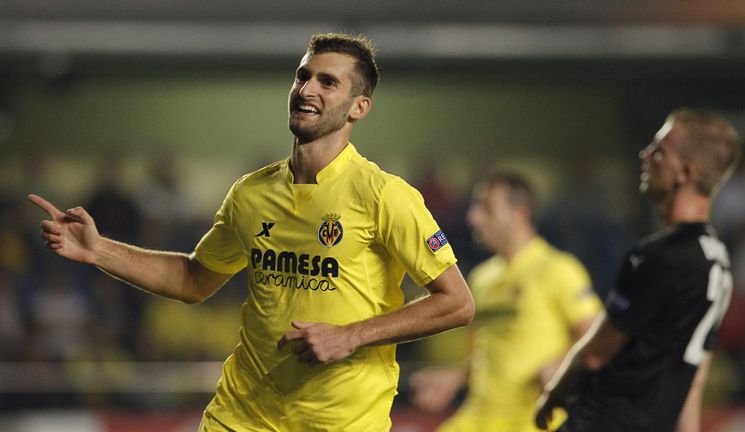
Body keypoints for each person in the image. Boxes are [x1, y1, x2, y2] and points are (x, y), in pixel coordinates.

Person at [29, 32, 475, 432]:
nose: (307, 89)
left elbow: (456, 303)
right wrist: (101, 250)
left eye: (328, 82)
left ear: (359, 107)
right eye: (303, 76)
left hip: (338, 421)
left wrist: (350, 335)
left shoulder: (385, 195)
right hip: (241, 415)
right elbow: (193, 279)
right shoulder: (251, 193)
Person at [535, 108, 741, 432]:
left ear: (685, 173)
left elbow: (595, 354)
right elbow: (693, 373)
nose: (645, 155)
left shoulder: (657, 256)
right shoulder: (719, 262)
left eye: (660, 150)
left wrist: (553, 394)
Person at [409, 171, 601, 432]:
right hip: (477, 416)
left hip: (532, 419)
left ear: (519, 213)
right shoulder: (481, 278)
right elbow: (489, 351)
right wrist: (457, 376)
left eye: (485, 208)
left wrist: (562, 363)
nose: (473, 217)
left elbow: (594, 336)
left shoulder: (558, 270)